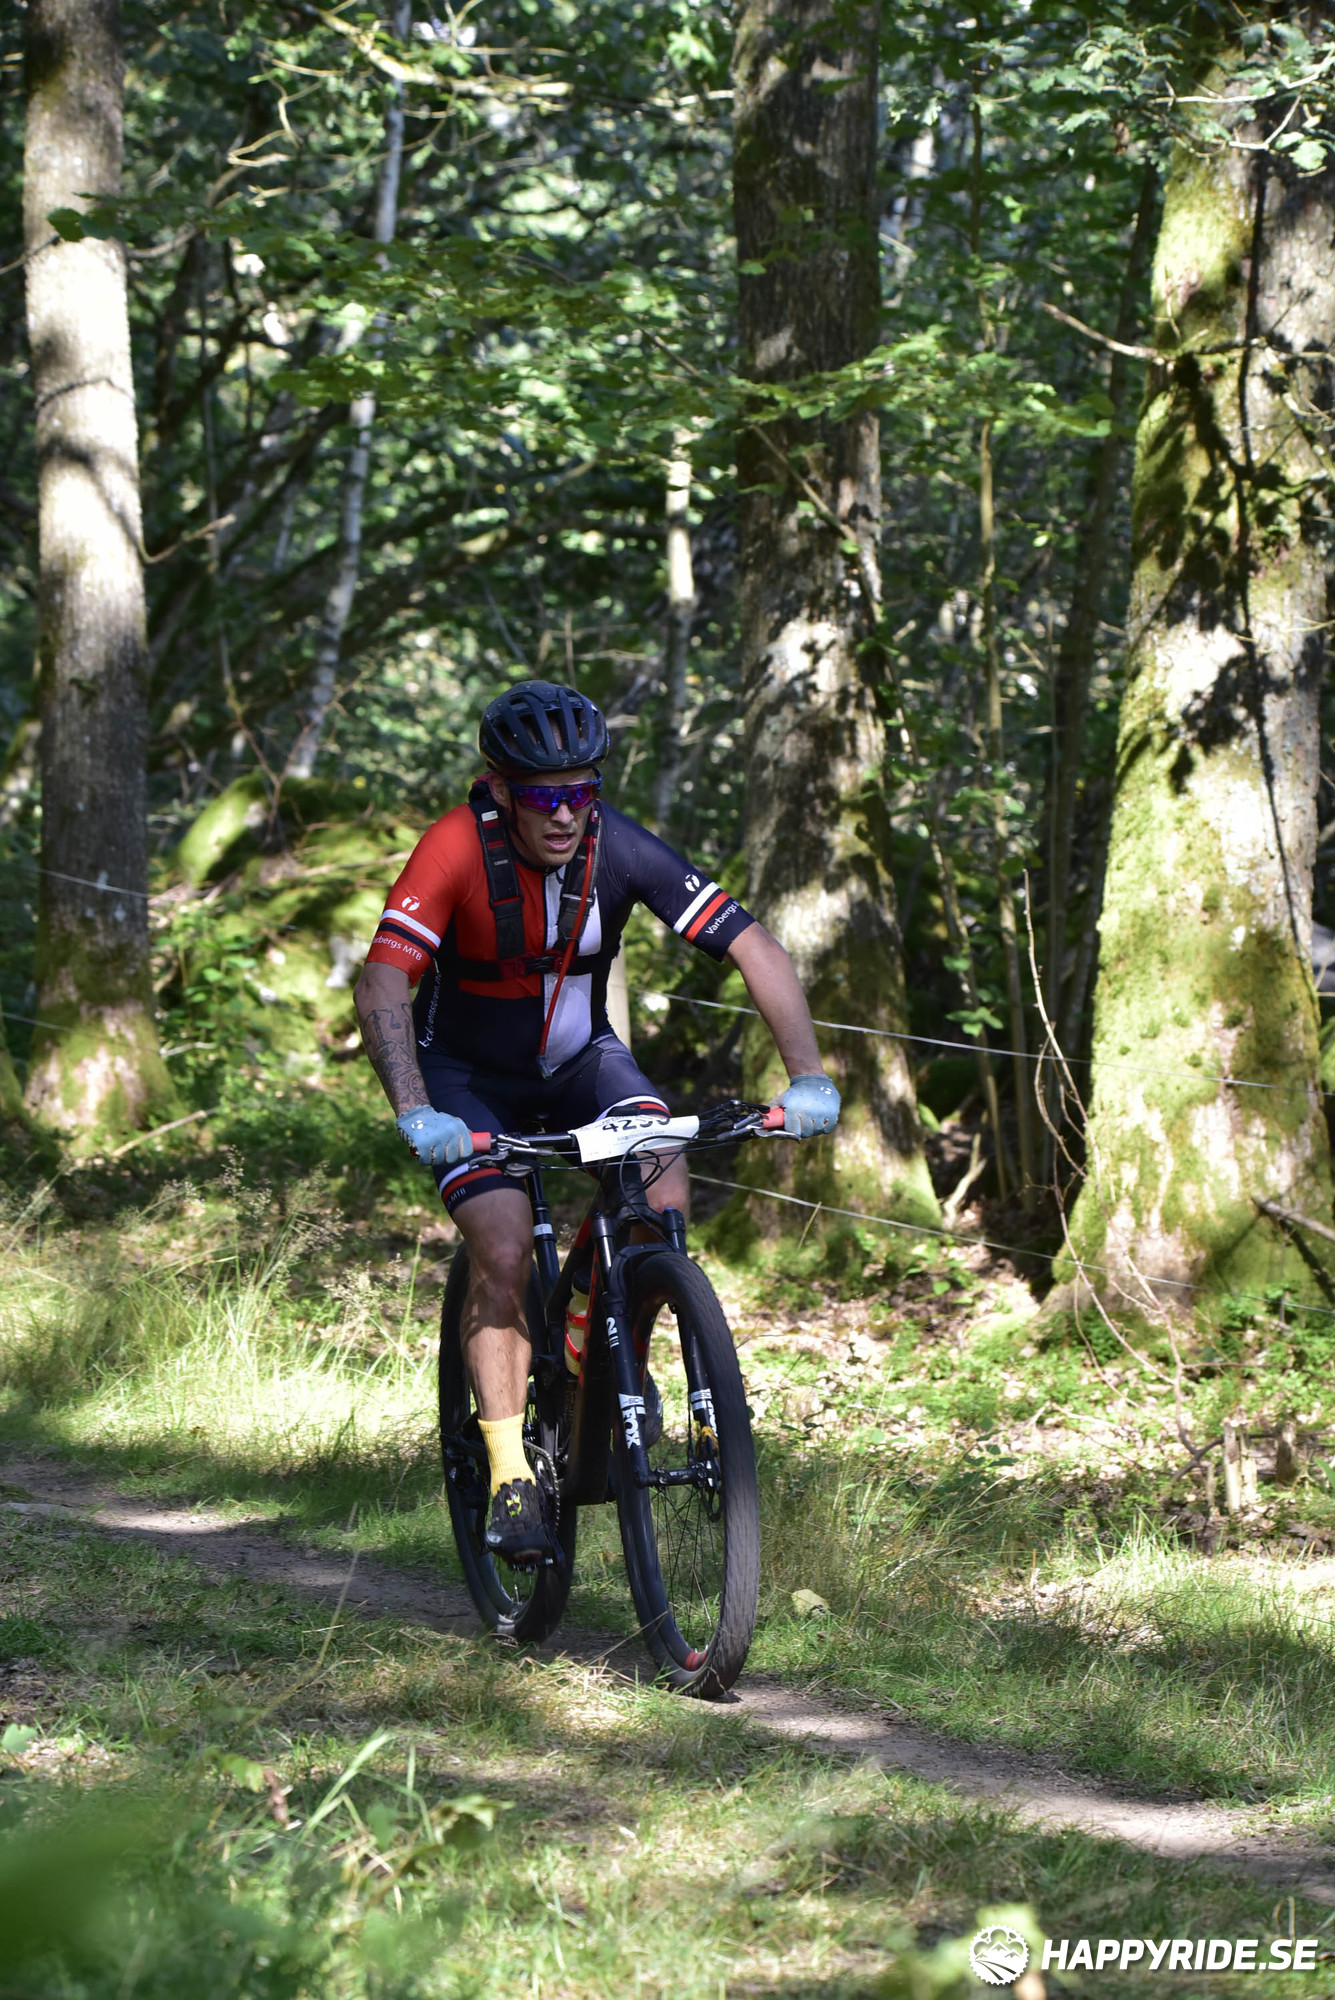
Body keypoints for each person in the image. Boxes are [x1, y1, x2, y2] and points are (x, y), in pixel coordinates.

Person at [354, 680, 839, 1560]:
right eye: (542, 796)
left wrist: (806, 1077)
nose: (565, 814)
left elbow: (753, 945)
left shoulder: (615, 844)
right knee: (503, 1248)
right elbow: (383, 978)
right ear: (500, 790)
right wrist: (414, 1106)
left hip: (583, 1064)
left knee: (661, 1187)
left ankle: (608, 1352)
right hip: (466, 1079)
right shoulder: (455, 846)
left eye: (581, 792)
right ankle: (509, 1473)